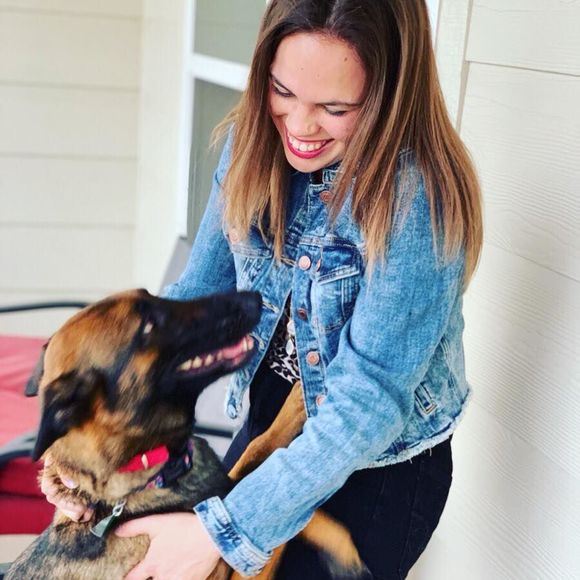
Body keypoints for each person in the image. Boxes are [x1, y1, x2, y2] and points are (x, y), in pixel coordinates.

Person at [41, 1, 483, 578]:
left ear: (388, 96)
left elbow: (367, 400)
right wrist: (75, 453)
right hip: (271, 423)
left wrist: (220, 532)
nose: (299, 127)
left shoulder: (415, 197)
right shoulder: (251, 141)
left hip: (372, 467)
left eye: (334, 108)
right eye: (282, 91)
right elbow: (197, 294)